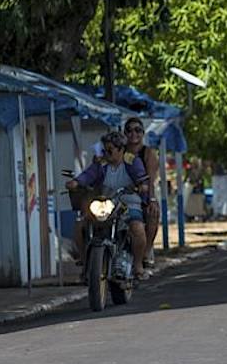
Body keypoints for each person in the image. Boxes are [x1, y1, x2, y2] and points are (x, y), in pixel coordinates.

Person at [66, 132, 152, 280]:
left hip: (128, 202)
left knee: (137, 228)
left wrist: (142, 186)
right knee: (80, 225)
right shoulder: (101, 164)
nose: (106, 153)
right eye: (105, 150)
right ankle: (87, 265)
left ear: (121, 150)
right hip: (104, 202)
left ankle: (138, 265)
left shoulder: (132, 161)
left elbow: (141, 177)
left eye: (110, 150)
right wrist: (76, 182)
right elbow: (88, 175)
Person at [123, 117, 161, 271]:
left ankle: (147, 250)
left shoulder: (148, 153)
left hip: (142, 194)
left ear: (143, 133)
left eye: (137, 130)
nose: (134, 134)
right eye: (129, 130)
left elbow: (150, 178)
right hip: (120, 194)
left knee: (152, 213)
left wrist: (151, 199)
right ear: (124, 133)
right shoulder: (119, 150)